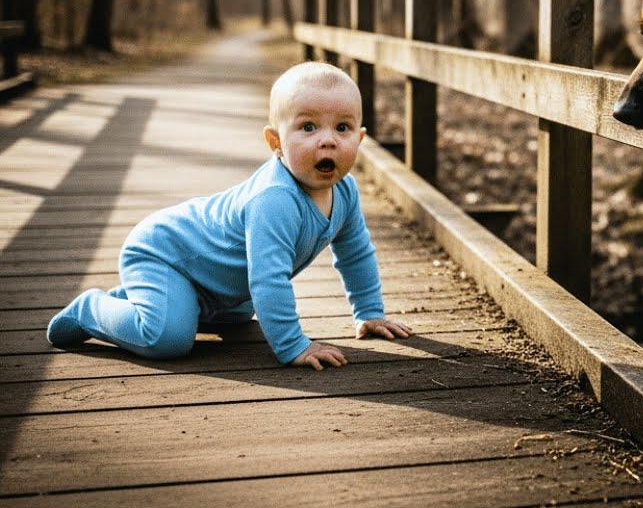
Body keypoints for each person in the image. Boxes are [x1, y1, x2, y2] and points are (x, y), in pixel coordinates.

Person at [46, 62, 413, 370]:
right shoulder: (275, 199)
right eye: (308, 127)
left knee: (241, 314)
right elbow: (269, 280)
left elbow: (356, 253)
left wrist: (369, 311)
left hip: (215, 285)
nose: (328, 140)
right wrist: (293, 345)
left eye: (342, 128)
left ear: (360, 139)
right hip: (164, 253)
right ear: (275, 142)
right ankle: (91, 308)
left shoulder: (345, 192)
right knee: (168, 339)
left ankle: (150, 300)